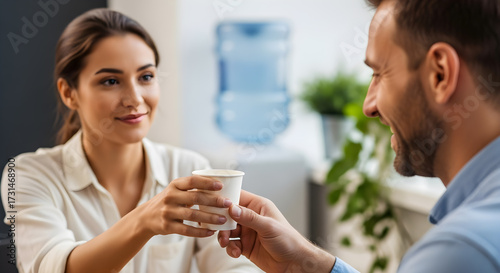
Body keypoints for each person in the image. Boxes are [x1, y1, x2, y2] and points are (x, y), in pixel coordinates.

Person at [218, 0, 500, 272]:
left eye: (379, 73)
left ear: (440, 73)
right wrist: (302, 265)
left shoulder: (460, 252)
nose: (368, 106)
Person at [0, 8, 261, 273]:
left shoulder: (189, 167)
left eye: (146, 77)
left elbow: (233, 266)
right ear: (69, 93)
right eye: (111, 81)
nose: (135, 99)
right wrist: (144, 221)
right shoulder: (28, 176)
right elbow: (53, 268)